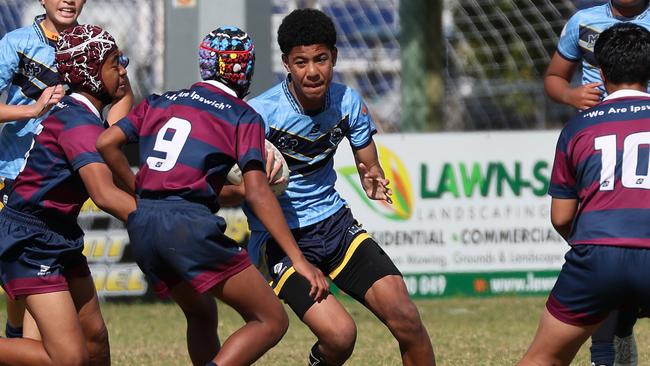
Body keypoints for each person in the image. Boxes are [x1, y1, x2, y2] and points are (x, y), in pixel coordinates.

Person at [96, 26, 329, 366]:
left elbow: (106, 143)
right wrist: (299, 260)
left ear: (205, 65)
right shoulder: (242, 115)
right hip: (189, 227)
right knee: (271, 320)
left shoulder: (162, 101)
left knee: (201, 312)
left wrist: (138, 188)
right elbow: (258, 191)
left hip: (144, 224)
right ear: (245, 71)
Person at [222, 8, 435, 366]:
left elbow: (369, 161)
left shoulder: (347, 102)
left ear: (333, 57)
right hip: (281, 240)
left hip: (336, 226)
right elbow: (218, 189)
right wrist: (249, 189)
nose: (312, 71)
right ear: (287, 63)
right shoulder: (259, 116)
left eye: (321, 59)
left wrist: (373, 175)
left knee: (406, 318)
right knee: (340, 337)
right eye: (301, 61)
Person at [0, 24, 135, 365]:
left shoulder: (83, 113)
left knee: (95, 340)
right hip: (29, 241)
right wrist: (159, 218)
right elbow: (104, 194)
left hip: (58, 233)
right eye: (115, 63)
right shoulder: (78, 124)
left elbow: (122, 124)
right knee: (68, 358)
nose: (124, 70)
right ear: (90, 74)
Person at [518, 22, 650, 366]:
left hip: (597, 253)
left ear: (601, 72)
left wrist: (594, 251)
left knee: (543, 357)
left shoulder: (578, 128)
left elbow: (561, 216)